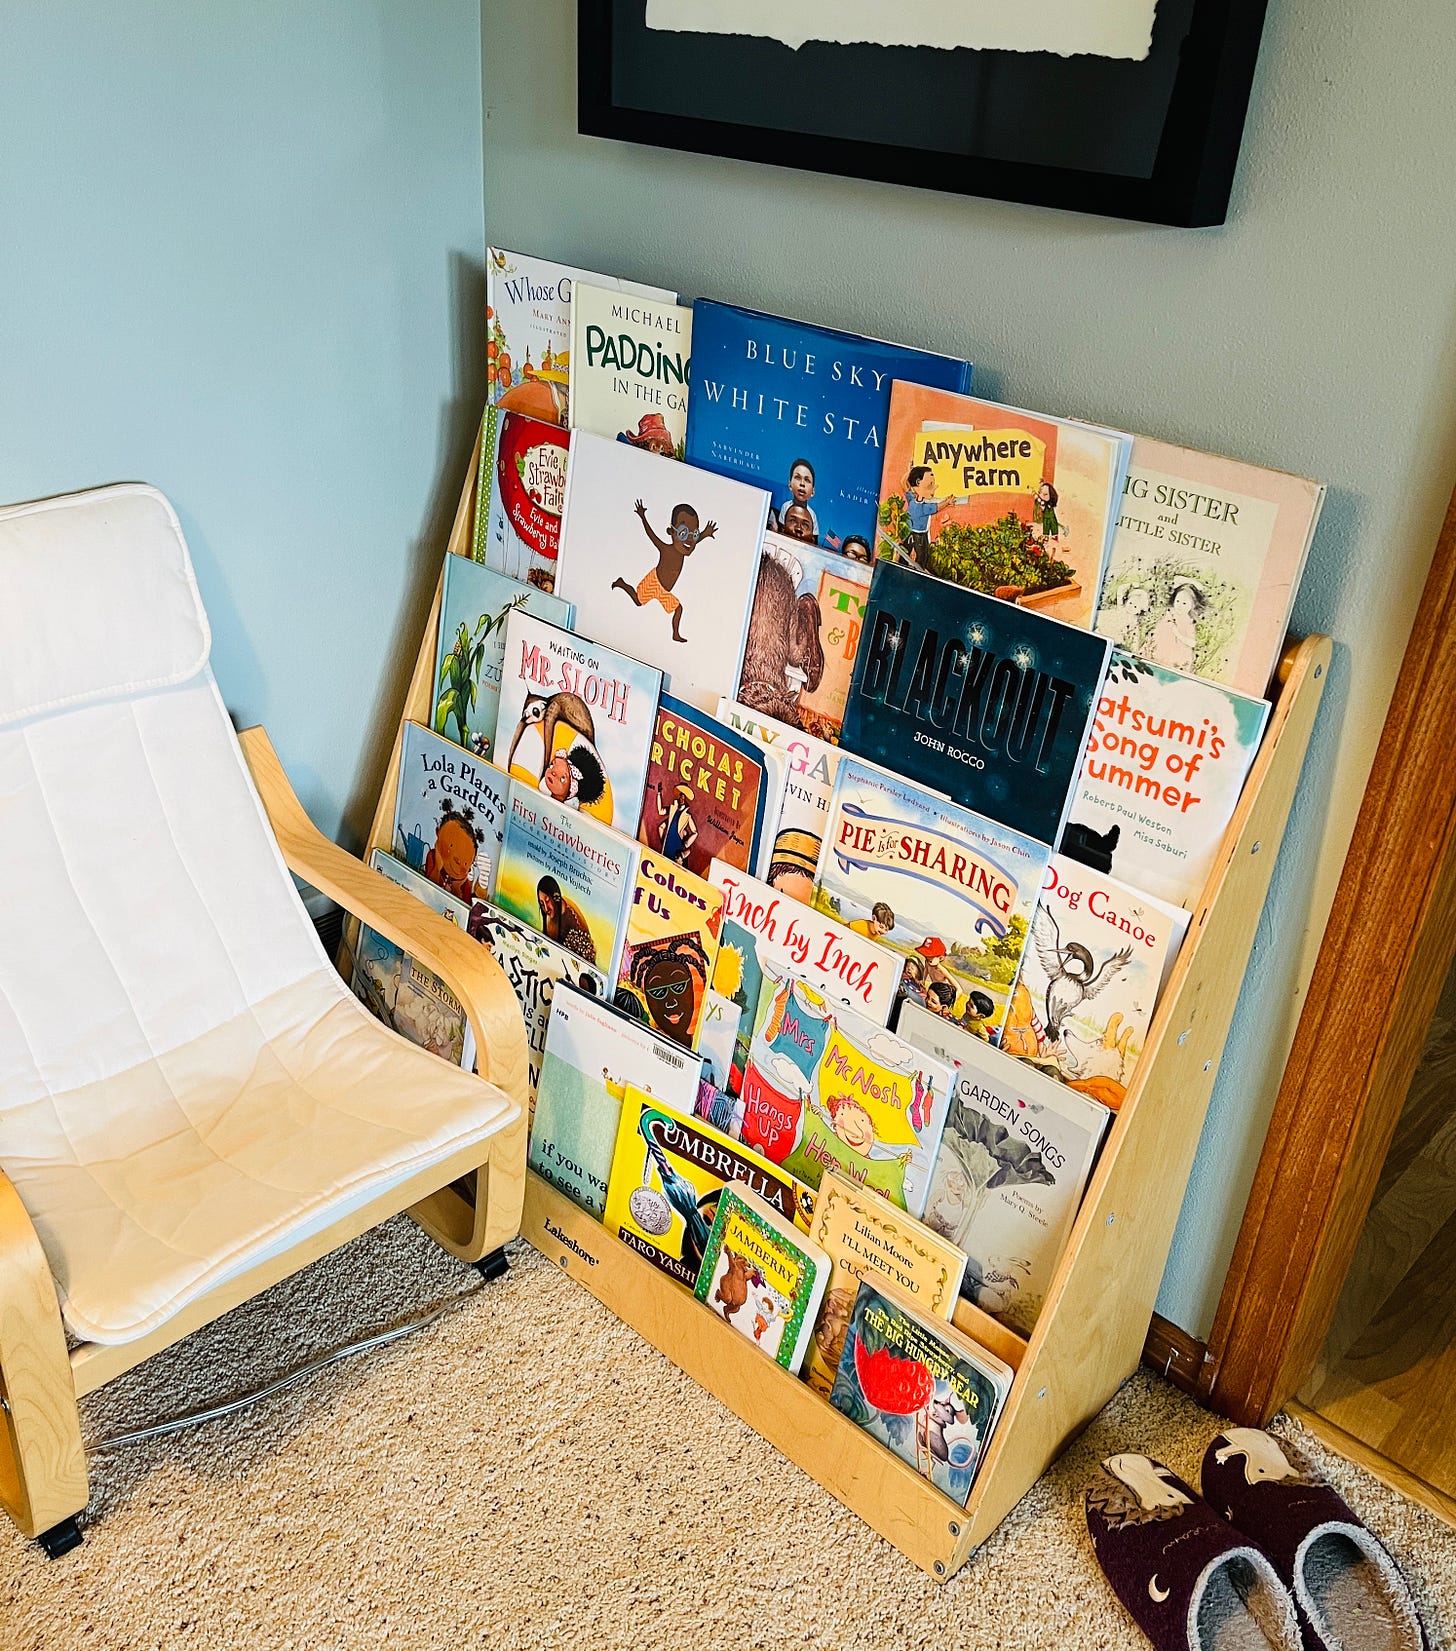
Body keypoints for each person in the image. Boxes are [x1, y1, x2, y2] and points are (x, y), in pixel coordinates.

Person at [613, 498, 716, 644]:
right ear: (671, 532)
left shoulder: (685, 546)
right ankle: (622, 583)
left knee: (678, 608)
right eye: (683, 533)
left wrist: (704, 534)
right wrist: (643, 517)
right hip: (654, 581)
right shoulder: (666, 550)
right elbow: (652, 536)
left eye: (694, 534)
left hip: (665, 590)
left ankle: (675, 634)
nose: (689, 541)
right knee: (638, 601)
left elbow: (690, 542)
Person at [1148, 579, 1207, 673]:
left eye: (1184, 603)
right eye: (1178, 601)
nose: (1179, 606)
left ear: (1192, 605)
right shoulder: (1170, 614)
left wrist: (1178, 634)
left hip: (1178, 655)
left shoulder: (1188, 622)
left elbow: (1192, 643)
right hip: (1162, 649)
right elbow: (1159, 631)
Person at [903, 466, 959, 564]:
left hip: (909, 533)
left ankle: (902, 565)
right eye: (930, 485)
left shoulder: (912, 500)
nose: (934, 489)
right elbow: (937, 507)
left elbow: (903, 484)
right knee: (922, 557)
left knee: (905, 552)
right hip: (919, 536)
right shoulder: (922, 508)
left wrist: (910, 471)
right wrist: (947, 502)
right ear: (918, 483)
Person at [780, 458, 819, 540]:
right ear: (790, 484)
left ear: (813, 492)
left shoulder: (812, 514)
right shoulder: (785, 506)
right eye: (798, 477)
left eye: (807, 480)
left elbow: (814, 540)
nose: (802, 484)